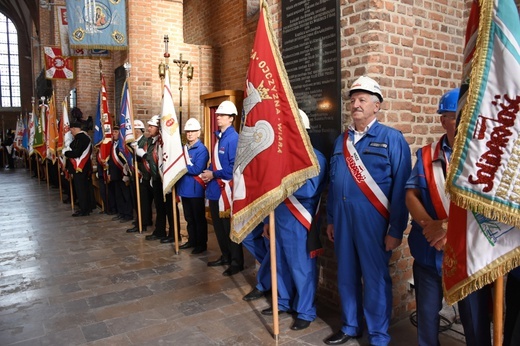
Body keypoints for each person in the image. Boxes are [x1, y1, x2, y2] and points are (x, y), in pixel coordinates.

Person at [325, 76, 411, 345]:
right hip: (342, 221)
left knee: (375, 279)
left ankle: (378, 335)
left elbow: (401, 190)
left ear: (377, 106)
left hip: (374, 223)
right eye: (353, 100)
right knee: (346, 275)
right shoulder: (342, 141)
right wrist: (330, 219)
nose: (356, 104)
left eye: (362, 100)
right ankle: (351, 326)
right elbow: (333, 180)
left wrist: (395, 229)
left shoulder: (391, 138)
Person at [405, 88, 492, 346]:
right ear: (443, 120)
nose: (462, 122)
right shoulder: (426, 154)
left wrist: (445, 227)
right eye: (455, 116)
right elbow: (411, 195)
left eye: (468, 116)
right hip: (429, 253)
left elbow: (486, 207)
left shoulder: (484, 158)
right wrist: (429, 226)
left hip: (469, 258)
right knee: (427, 322)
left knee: (475, 323)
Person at [261, 109, 328, 331]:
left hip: (300, 221)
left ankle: (305, 310)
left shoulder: (315, 157)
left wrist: (281, 178)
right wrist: (267, 221)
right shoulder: (281, 158)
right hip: (279, 217)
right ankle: (283, 301)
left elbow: (309, 190)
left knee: (302, 269)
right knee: (279, 264)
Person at [201, 100, 244, 276]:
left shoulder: (233, 139)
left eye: (222, 115)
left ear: (231, 118)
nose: (218, 117)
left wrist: (213, 174)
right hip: (214, 190)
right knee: (218, 228)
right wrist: (209, 172)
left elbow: (233, 168)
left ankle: (236, 261)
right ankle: (225, 255)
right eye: (218, 114)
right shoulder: (219, 136)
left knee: (229, 229)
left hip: (226, 191)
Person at [135, 115, 174, 241]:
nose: (149, 128)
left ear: (158, 128)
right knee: (159, 207)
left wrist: (144, 155)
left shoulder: (164, 141)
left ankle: (174, 234)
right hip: (156, 178)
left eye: (151, 126)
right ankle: (160, 231)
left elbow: (155, 158)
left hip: (164, 179)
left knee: (170, 208)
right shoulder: (152, 141)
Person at [175, 118, 209, 253]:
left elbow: (196, 169)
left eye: (193, 131)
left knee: (198, 218)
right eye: (188, 131)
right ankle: (192, 240)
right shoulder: (184, 148)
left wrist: (180, 167)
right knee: (188, 218)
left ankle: (201, 244)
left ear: (198, 132)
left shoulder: (202, 150)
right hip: (184, 188)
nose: (189, 134)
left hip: (196, 189)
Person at [127, 119, 154, 233]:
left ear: (138, 131)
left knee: (144, 201)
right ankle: (143, 219)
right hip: (136, 175)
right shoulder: (132, 142)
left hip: (145, 175)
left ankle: (142, 222)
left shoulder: (145, 141)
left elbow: (146, 158)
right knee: (140, 201)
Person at [63, 121, 93, 217]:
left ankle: (84, 209)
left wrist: (66, 153)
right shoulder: (83, 138)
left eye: (71, 130)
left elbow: (76, 153)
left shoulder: (81, 138)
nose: (71, 132)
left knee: (81, 189)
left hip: (80, 167)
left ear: (74, 128)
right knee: (83, 188)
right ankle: (87, 207)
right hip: (84, 168)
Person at [108, 125, 133, 223]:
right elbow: (111, 160)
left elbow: (126, 159)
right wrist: (109, 173)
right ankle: (121, 213)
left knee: (125, 195)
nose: (113, 134)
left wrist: (126, 173)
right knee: (118, 195)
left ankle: (128, 214)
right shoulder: (113, 144)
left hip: (122, 173)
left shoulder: (123, 145)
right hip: (115, 173)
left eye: (116, 132)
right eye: (113, 132)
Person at [241, 223, 271, 301]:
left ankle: (264, 284)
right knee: (245, 235)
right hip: (265, 214)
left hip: (281, 216)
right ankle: (270, 267)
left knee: (272, 246)